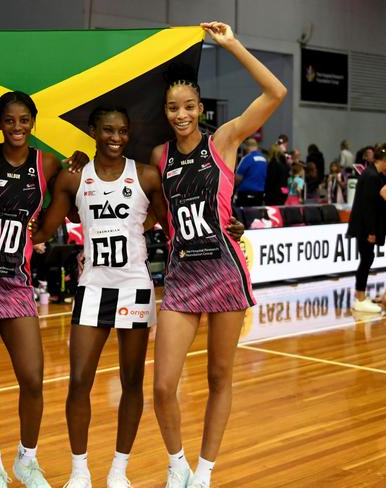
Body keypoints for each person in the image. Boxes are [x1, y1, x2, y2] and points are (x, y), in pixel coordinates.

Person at [151, 22, 286, 488]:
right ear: (165, 111)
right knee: (163, 385)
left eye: (189, 106)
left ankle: (204, 473)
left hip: (226, 273)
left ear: (200, 108)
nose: (181, 114)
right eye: (173, 107)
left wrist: (231, 45)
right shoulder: (158, 157)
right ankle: (177, 465)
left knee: (218, 377)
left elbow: (276, 91)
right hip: (182, 278)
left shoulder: (223, 141)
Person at [33, 106, 169, 488]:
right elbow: (44, 230)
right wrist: (17, 225)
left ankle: (118, 470)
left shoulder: (144, 175)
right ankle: (79, 471)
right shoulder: (74, 178)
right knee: (79, 381)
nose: (116, 137)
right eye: (108, 130)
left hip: (134, 286)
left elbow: (170, 220)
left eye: (123, 131)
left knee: (132, 383)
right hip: (93, 287)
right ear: (93, 131)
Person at [0, 91, 86, 488]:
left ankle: (26, 460)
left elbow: (70, 201)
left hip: (17, 284)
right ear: (0, 123)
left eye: (24, 120)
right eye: (10, 120)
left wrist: (79, 166)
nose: (17, 127)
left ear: (33, 122)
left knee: (32, 378)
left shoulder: (45, 162)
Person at [346, 144, 386, 313]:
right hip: (365, 227)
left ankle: (361, 296)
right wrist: (371, 231)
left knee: (367, 259)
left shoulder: (374, 174)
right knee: (366, 260)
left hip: (366, 225)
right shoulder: (371, 176)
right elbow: (368, 207)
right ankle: (360, 298)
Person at [234, 138, 266, 206]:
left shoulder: (247, 159)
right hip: (260, 194)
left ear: (247, 147)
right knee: (256, 215)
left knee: (242, 215)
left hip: (246, 193)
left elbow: (238, 178)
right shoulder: (264, 160)